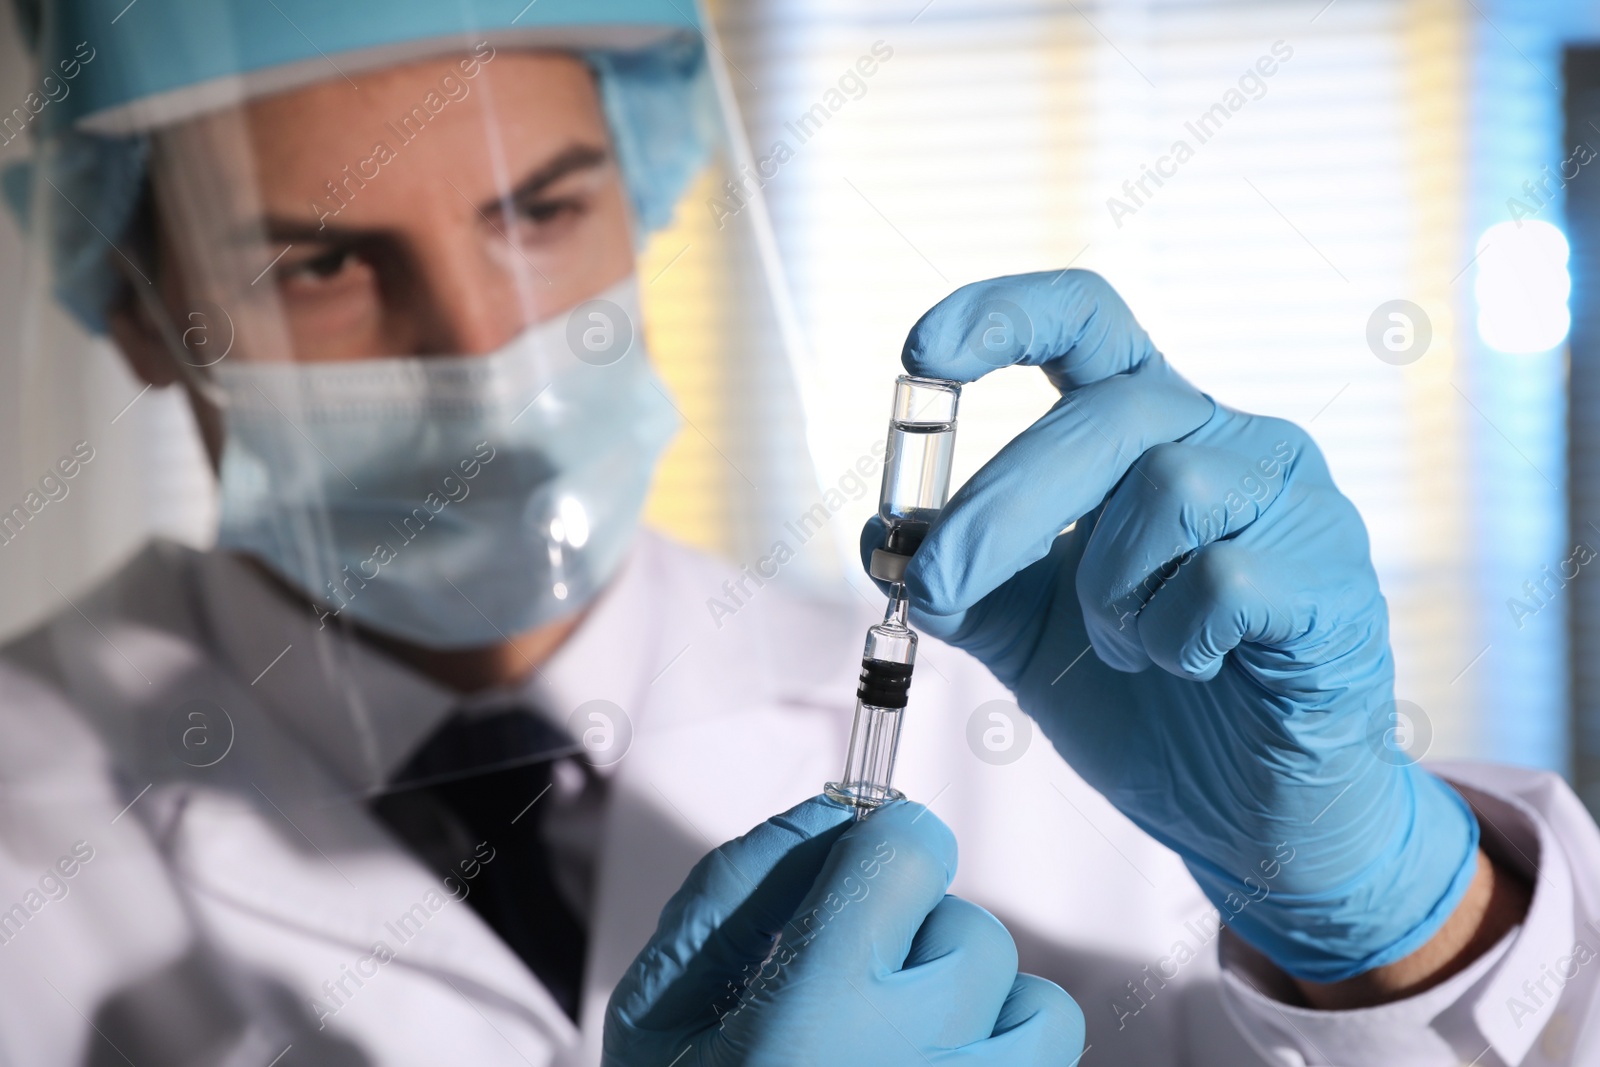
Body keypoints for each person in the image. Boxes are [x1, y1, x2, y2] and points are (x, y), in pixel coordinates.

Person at [0, 2, 1594, 1065]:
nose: (480, 349)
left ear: (648, 182)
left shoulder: (1066, 712)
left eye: (538, 209)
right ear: (134, 307)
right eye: (318, 262)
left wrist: (1398, 928)